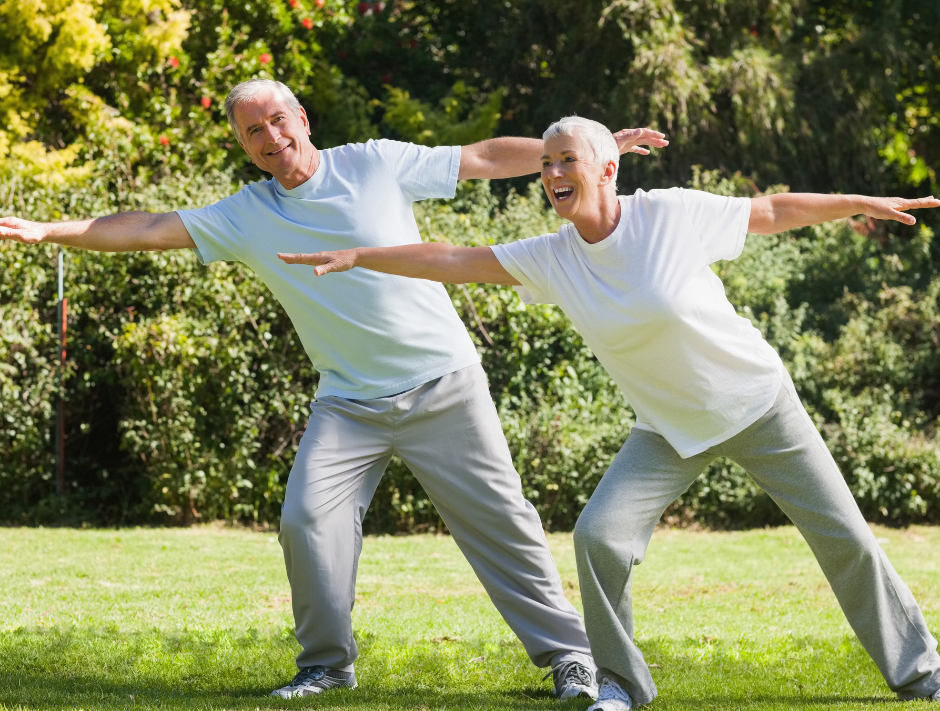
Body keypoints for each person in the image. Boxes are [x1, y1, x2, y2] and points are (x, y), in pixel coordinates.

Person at [0, 83, 670, 701]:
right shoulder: (246, 214)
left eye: (278, 120)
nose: (270, 136)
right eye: (253, 130)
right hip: (348, 401)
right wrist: (47, 230)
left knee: (504, 524)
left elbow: (480, 156)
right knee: (306, 520)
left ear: (302, 121)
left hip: (442, 383)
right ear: (244, 145)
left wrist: (588, 148)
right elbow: (147, 227)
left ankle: (569, 659)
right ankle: (325, 665)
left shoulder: (374, 162)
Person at [279, 115, 940, 710]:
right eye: (544, 164)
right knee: (600, 536)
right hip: (667, 431)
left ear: (607, 168)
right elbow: (456, 259)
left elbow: (769, 211)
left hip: (757, 404)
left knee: (846, 539)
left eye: (566, 159)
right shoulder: (552, 258)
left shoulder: (669, 215)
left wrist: (858, 203)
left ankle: (919, 672)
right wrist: (364, 255)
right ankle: (619, 682)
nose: (553, 173)